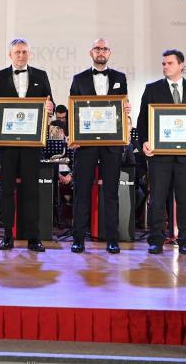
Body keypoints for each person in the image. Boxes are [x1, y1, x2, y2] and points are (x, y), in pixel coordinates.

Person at [0, 38, 54, 252]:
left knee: (32, 191)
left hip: (32, 144)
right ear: (10, 55)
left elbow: (50, 103)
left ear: (29, 54)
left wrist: (50, 107)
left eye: (24, 52)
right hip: (7, 144)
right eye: (17, 52)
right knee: (6, 190)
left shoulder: (41, 75)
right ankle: (7, 236)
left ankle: (34, 238)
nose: (21, 55)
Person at [137, 49, 186, 256]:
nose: (165, 66)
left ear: (181, 65)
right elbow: (143, 120)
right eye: (163, 63)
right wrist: (144, 142)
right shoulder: (152, 89)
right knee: (158, 199)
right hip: (160, 156)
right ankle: (156, 241)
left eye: (169, 63)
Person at [68, 38, 131, 254]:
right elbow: (73, 110)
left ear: (109, 53)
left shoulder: (120, 78)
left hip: (112, 143)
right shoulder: (78, 79)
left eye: (104, 49)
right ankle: (78, 239)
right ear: (91, 52)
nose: (101, 52)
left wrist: (126, 110)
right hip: (85, 144)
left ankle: (112, 239)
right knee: (82, 192)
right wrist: (73, 135)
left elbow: (122, 106)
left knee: (111, 193)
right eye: (97, 48)